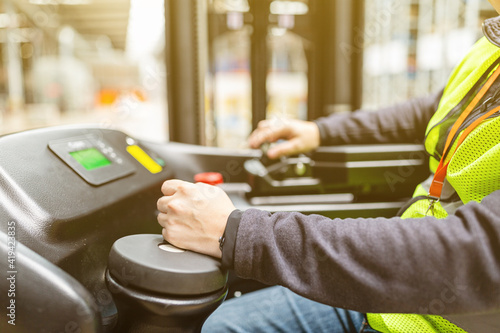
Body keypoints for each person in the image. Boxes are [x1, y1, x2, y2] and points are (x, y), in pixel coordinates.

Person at [156, 2, 500, 332]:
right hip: (387, 295)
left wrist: (240, 234)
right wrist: (321, 132)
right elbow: (440, 108)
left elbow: (471, 252)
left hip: (443, 320)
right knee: (217, 325)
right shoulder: (492, 44)